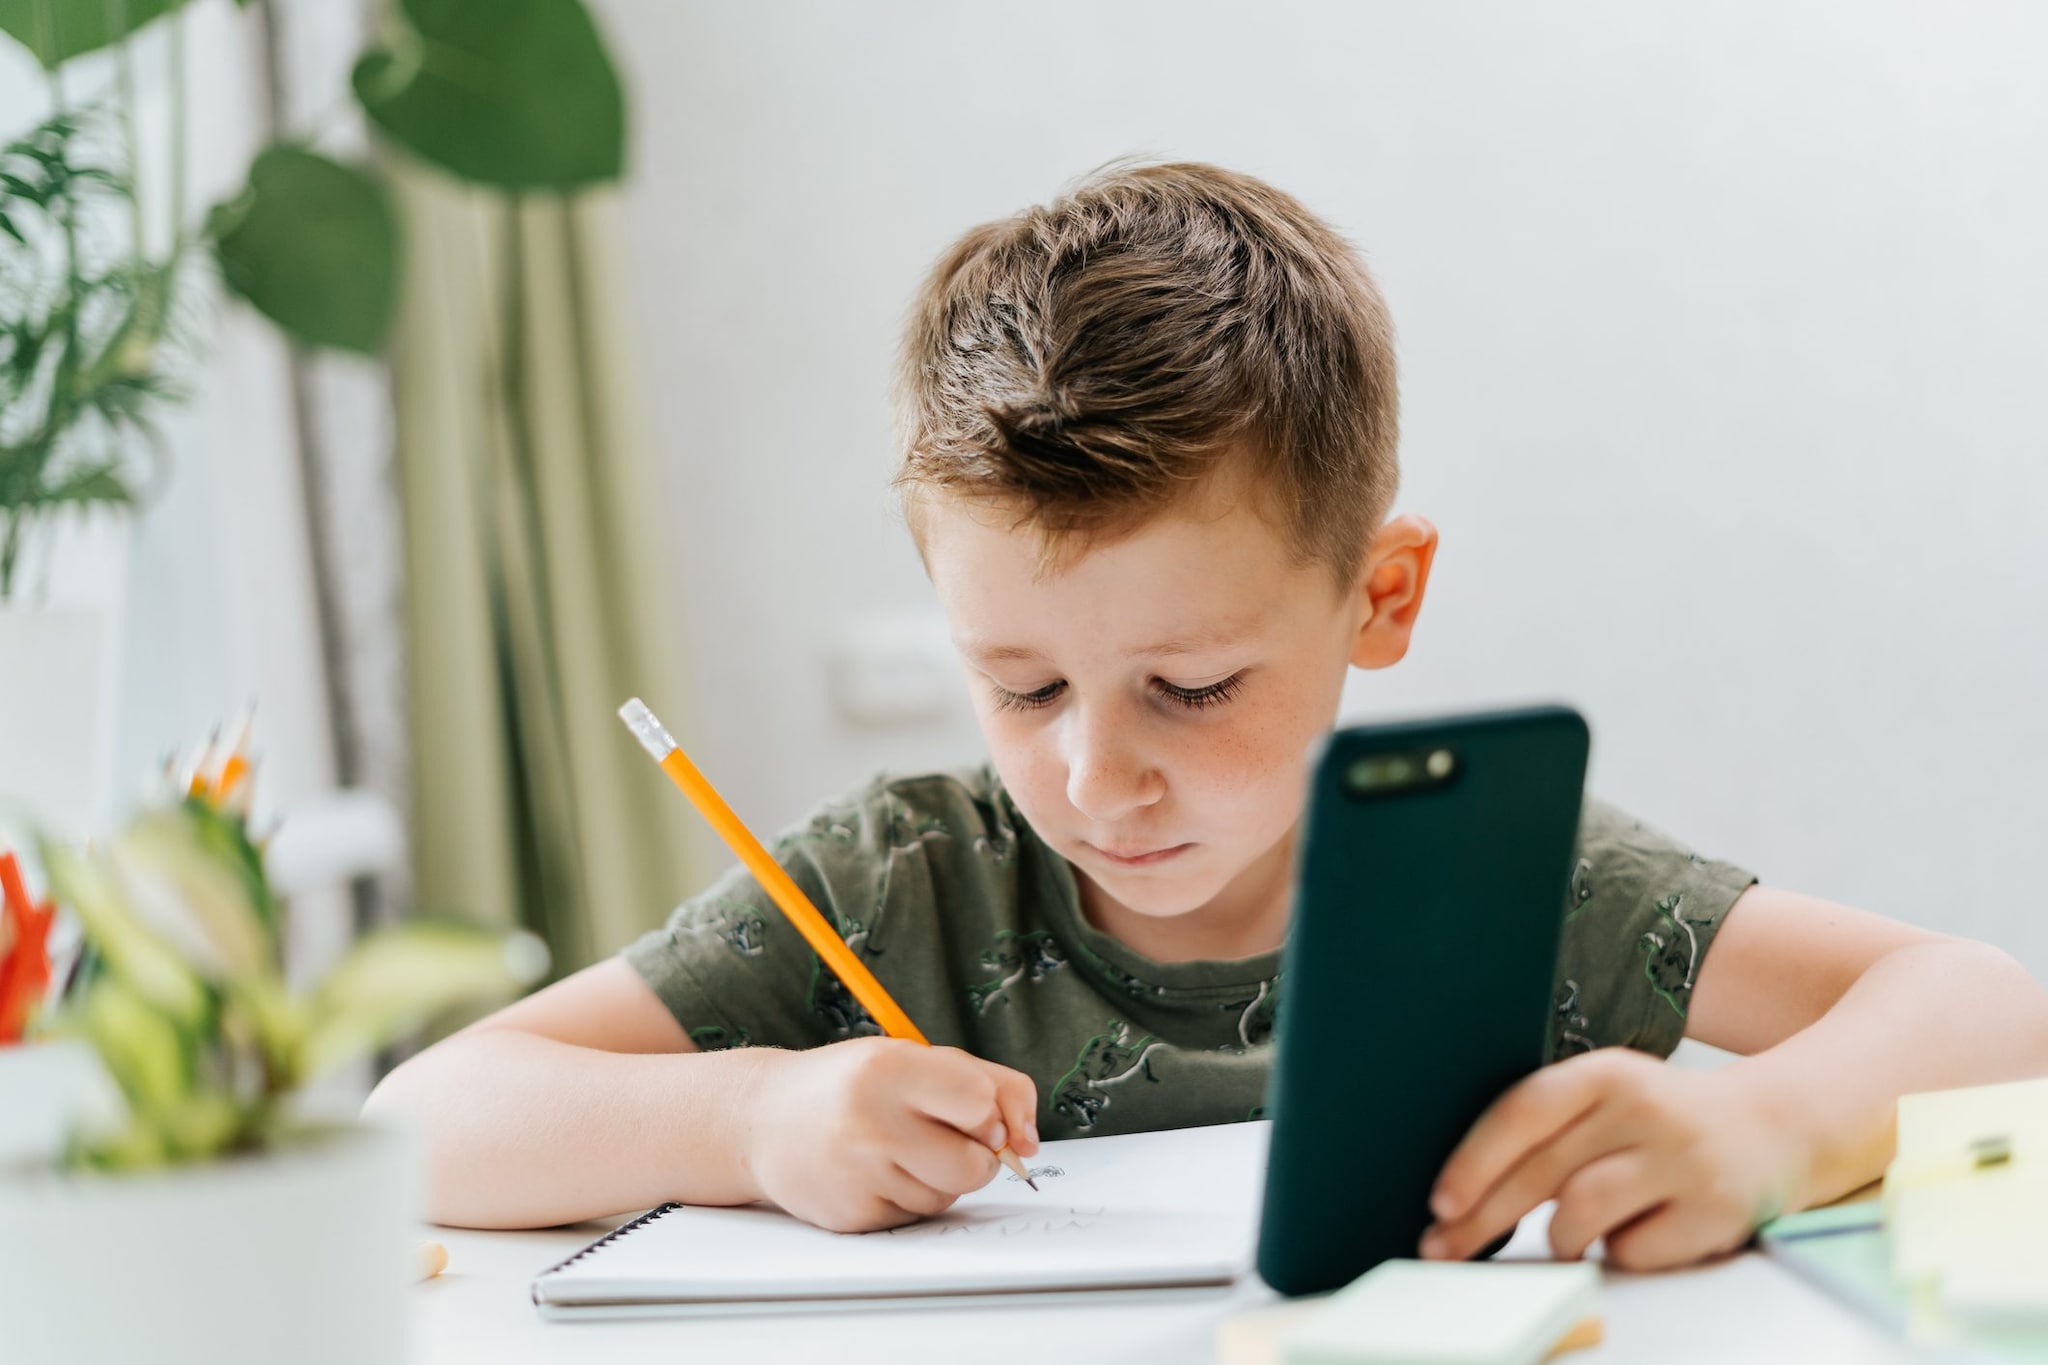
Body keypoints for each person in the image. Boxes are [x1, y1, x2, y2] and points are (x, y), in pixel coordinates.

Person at [364, 161, 2048, 1270]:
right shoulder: (893, 881)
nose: (1095, 773)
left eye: (1192, 686)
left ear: (1376, 600)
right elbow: (416, 1119)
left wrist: (1765, 1123)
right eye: (1020, 686)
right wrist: (746, 1116)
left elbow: (1985, 1007)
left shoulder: (1489, 872)